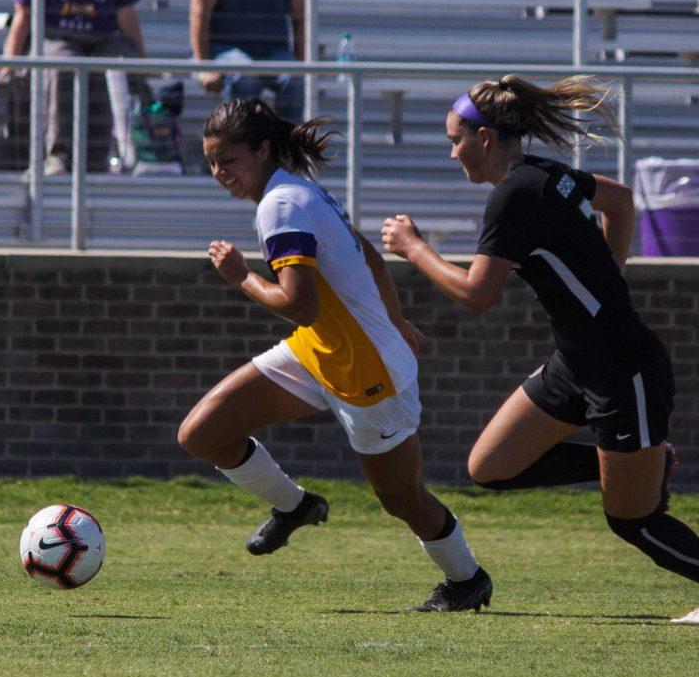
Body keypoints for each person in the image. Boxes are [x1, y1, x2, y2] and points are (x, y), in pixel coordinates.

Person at [381, 75, 699, 625]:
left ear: (485, 138)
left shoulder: (514, 194)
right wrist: (612, 276)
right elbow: (621, 201)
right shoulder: (542, 175)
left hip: (621, 369)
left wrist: (414, 248)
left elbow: (478, 295)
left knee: (633, 521)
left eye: (455, 139)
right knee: (490, 466)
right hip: (576, 363)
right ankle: (644, 465)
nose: (452, 152)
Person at [178, 97, 492, 612]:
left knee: (401, 499)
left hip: (368, 372)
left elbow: (299, 304)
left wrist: (241, 278)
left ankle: (467, 579)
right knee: (202, 433)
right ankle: (295, 506)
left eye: (228, 160)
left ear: (261, 150)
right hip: (319, 352)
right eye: (212, 162)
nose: (218, 172)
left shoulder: (281, 203)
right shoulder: (296, 191)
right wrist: (393, 317)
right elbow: (367, 254)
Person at [2, 0, 148, 174]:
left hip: (103, 38)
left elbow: (126, 15)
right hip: (59, 36)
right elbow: (23, 13)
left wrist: (143, 59)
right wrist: (9, 61)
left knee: (123, 64)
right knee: (62, 66)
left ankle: (134, 152)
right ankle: (58, 152)